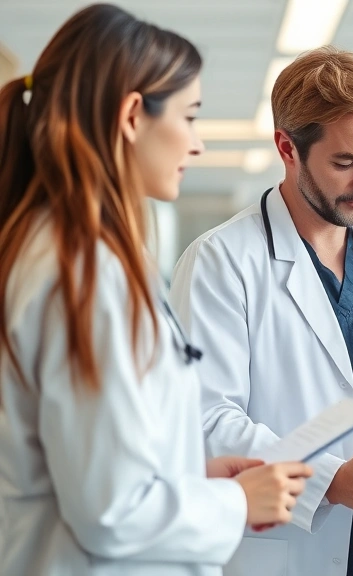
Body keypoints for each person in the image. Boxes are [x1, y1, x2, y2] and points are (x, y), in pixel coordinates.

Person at [0, 4, 312, 575]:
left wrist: (187, 475)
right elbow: (110, 511)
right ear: (132, 115)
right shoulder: (86, 271)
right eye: (190, 117)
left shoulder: (58, 251)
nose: (195, 144)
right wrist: (236, 503)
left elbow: (91, 457)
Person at [169, 46, 353, 576]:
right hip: (281, 551)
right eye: (345, 162)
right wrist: (330, 480)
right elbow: (206, 420)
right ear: (288, 148)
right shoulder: (221, 262)